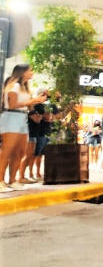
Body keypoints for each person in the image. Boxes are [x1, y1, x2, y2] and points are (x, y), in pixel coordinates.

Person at [0, 64, 47, 192]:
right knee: (7, 150)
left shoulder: (25, 87)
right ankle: (0, 181)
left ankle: (12, 180)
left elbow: (27, 106)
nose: (32, 72)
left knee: (20, 151)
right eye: (30, 70)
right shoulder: (13, 85)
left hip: (22, 118)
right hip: (11, 117)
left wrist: (37, 101)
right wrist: (33, 101)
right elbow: (12, 104)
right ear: (22, 72)